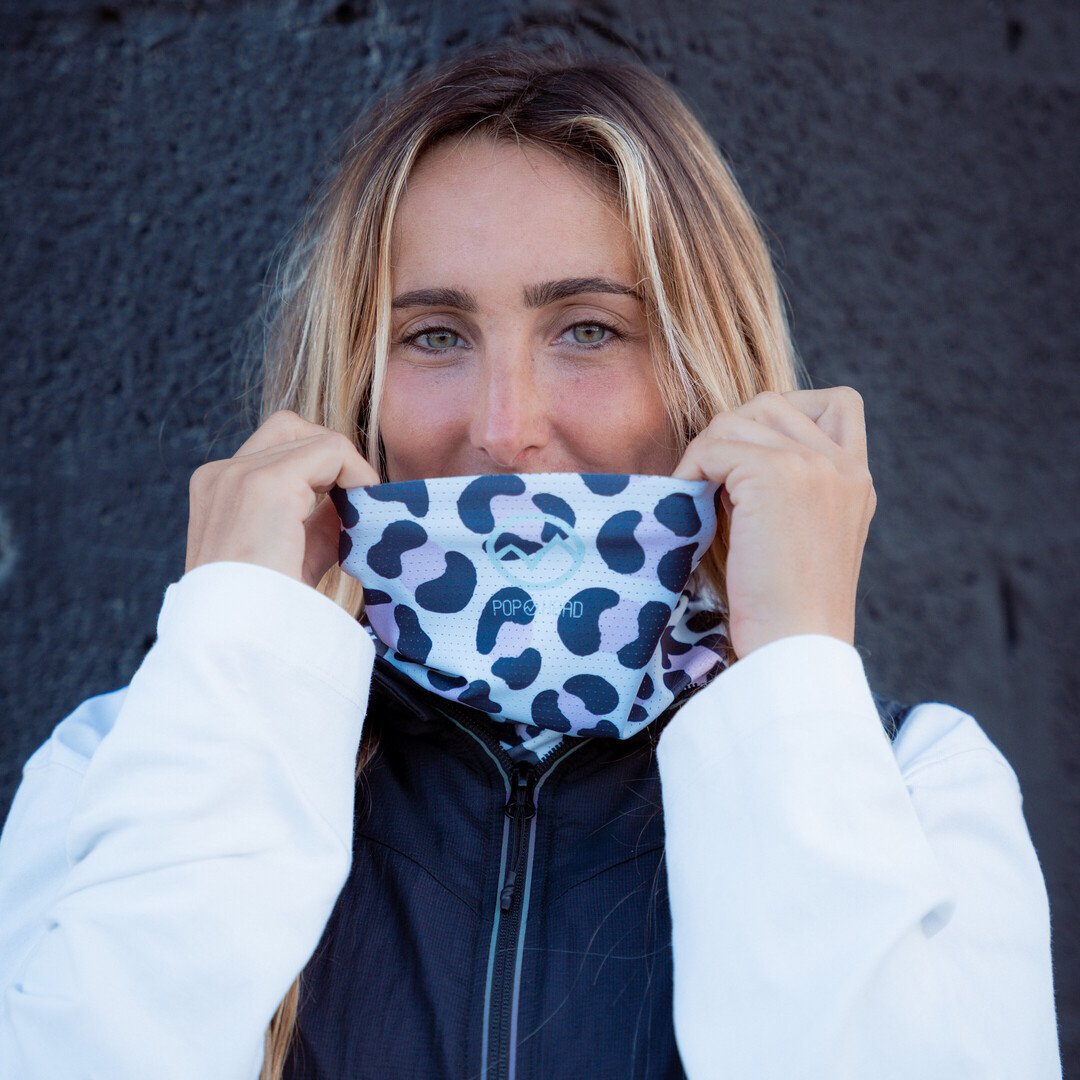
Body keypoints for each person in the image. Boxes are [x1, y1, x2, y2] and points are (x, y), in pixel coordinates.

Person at [0, 42, 1062, 1080]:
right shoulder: (114, 770)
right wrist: (235, 652)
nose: (506, 430)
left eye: (589, 330)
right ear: (357, 386)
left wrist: (790, 667)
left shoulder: (921, 785)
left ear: (705, 373)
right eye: (434, 336)